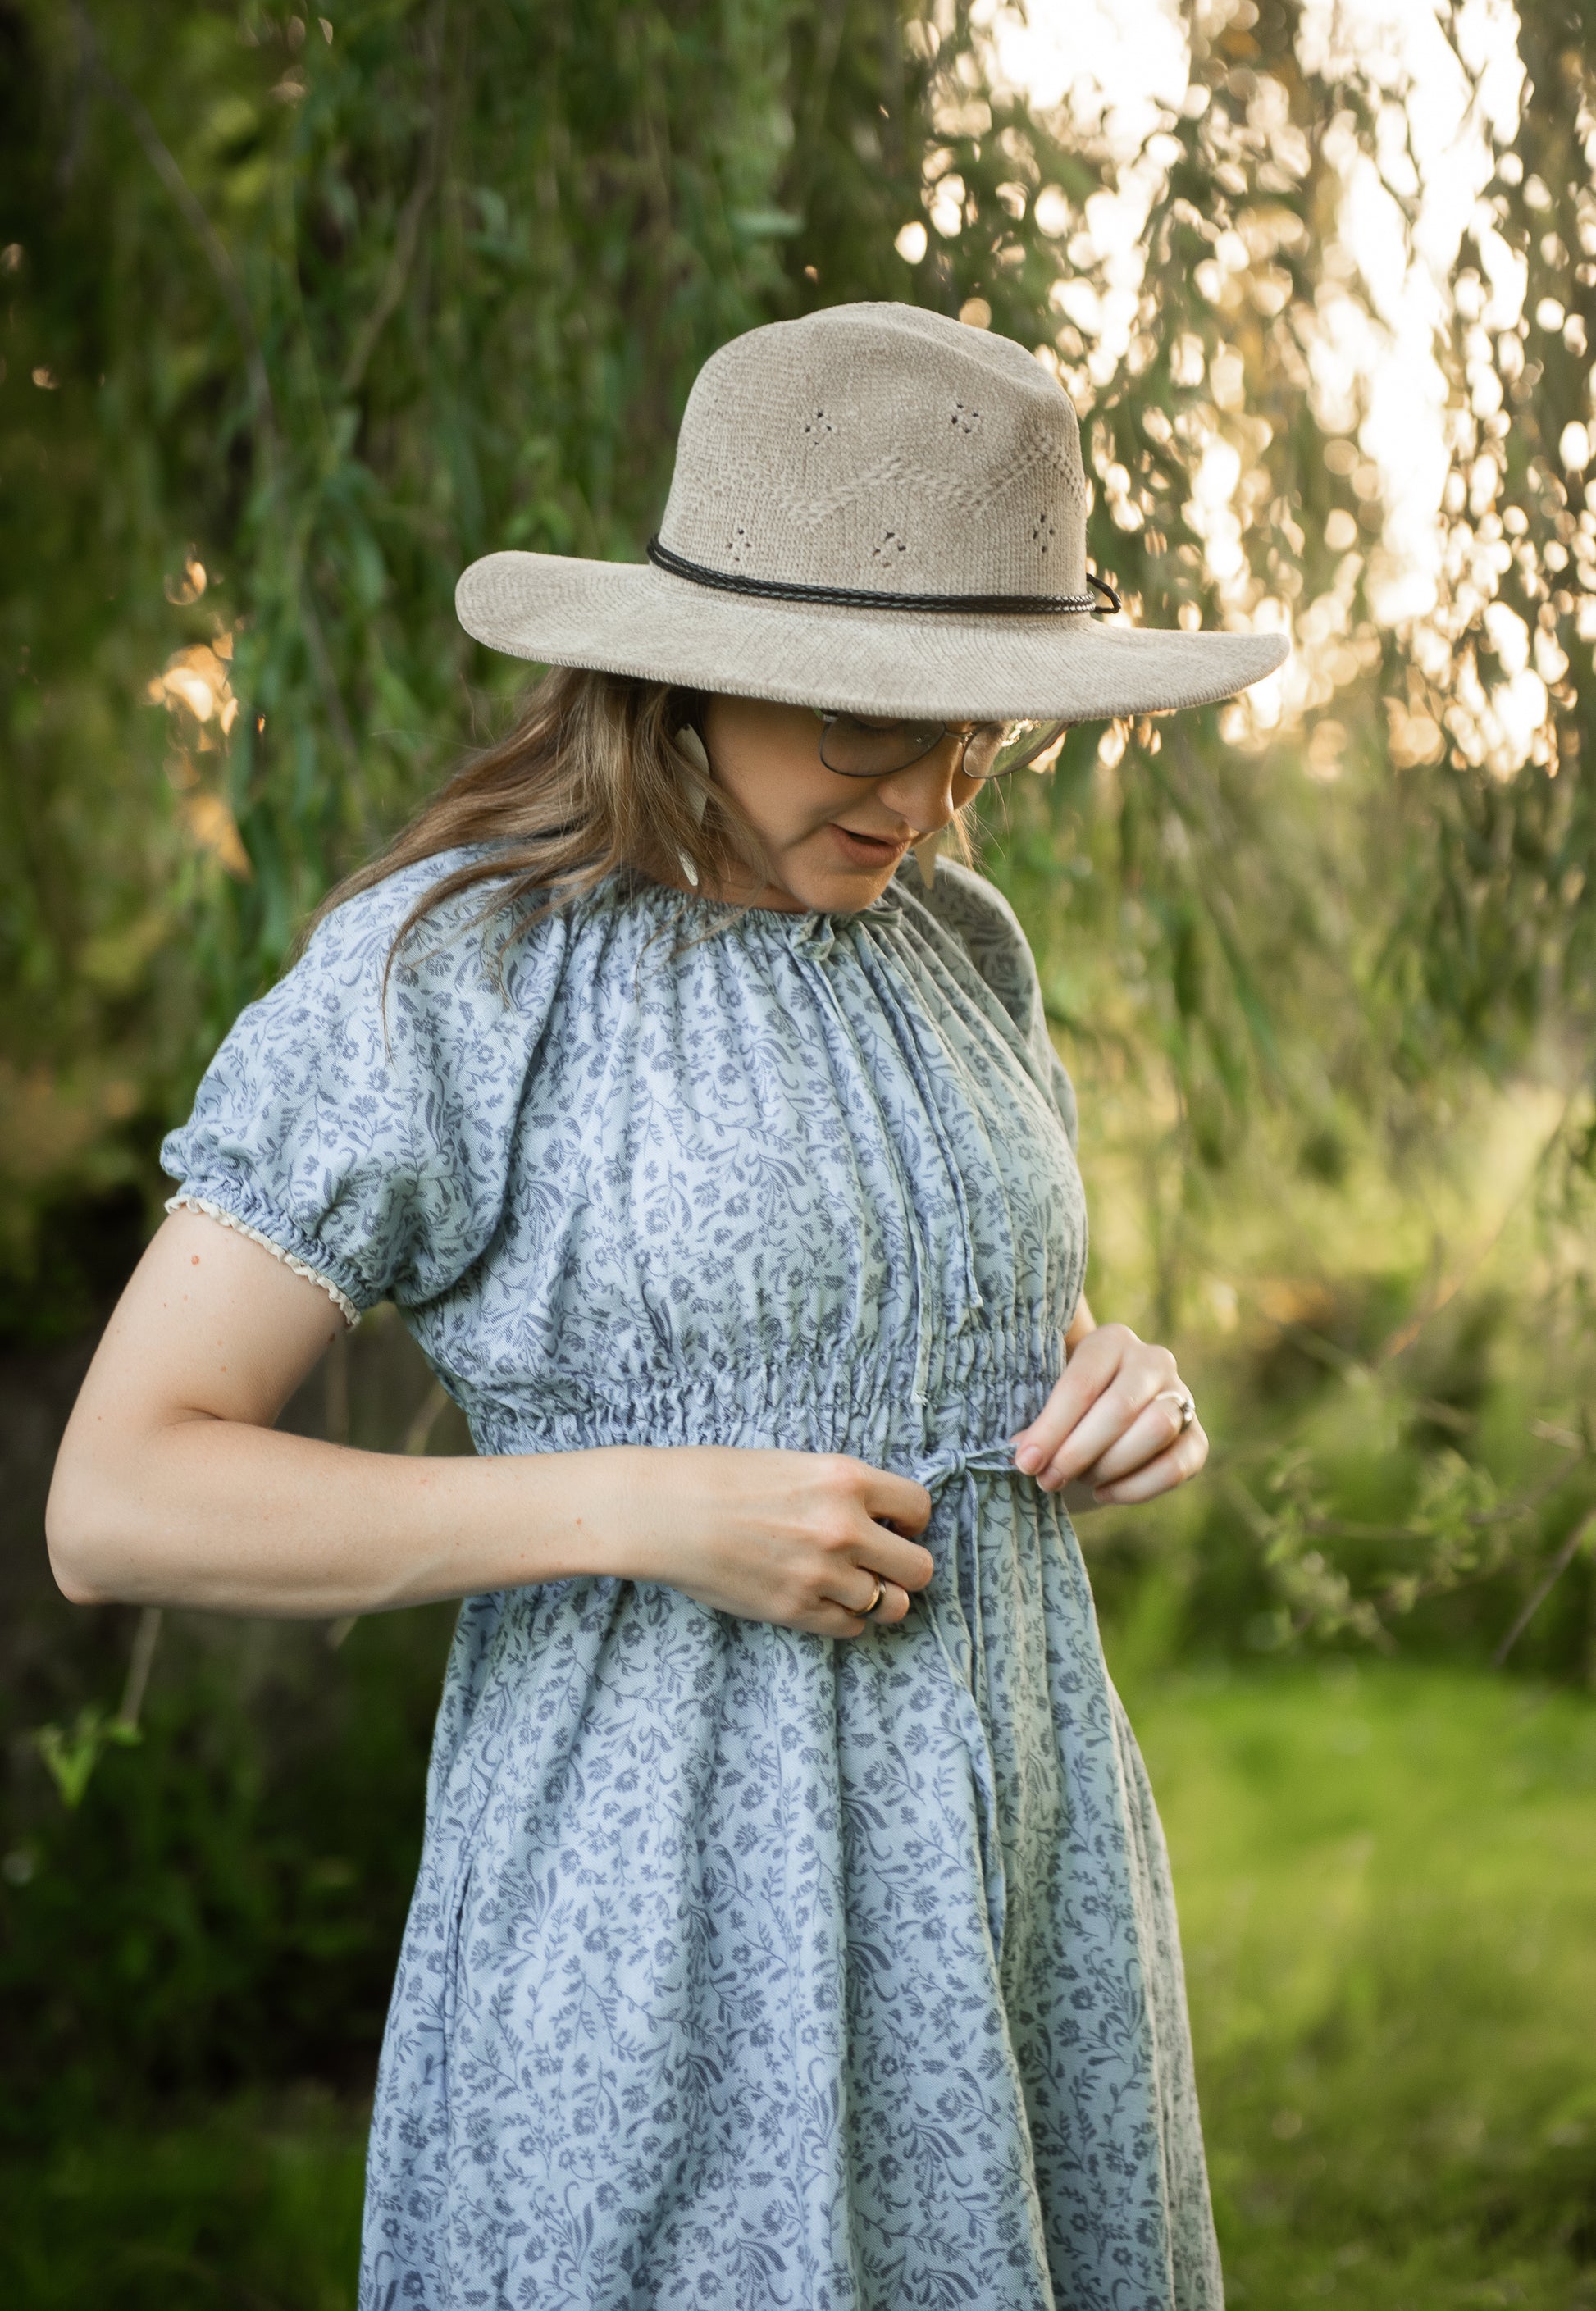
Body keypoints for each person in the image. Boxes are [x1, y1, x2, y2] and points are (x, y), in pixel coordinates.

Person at [48, 303, 1286, 2311]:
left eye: (977, 730)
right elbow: (118, 1500)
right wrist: (645, 1508)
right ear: (696, 671)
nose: (925, 797)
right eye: (868, 724)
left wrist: (1114, 1383)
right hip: (663, 1939)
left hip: (1009, 1907)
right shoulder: (459, 975)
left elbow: (931, 1324)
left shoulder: (961, 945)